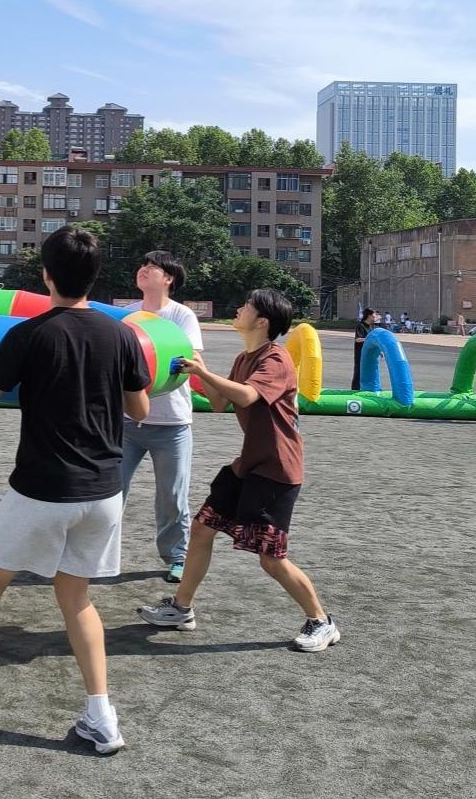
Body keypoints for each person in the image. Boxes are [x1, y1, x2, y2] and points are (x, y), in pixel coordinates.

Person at [0, 225, 151, 753]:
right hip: (104, 490)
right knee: (77, 597)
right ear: (95, 276)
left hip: (44, 487)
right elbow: (139, 408)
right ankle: (101, 718)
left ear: (46, 275)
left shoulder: (28, 334)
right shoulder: (121, 335)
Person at [136, 288, 340, 654]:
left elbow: (246, 396)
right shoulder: (244, 358)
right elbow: (219, 403)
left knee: (271, 558)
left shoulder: (275, 359)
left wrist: (204, 371)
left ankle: (321, 621)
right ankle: (181, 608)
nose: (239, 309)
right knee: (202, 529)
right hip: (247, 465)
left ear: (262, 322)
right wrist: (194, 369)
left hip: (276, 470)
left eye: (246, 306)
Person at [119, 250, 204, 583]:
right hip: (126, 422)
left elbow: (187, 359)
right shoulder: (126, 315)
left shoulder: (181, 315)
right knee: (110, 490)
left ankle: (177, 557)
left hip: (172, 424)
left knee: (172, 496)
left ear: (168, 278)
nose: (143, 269)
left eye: (152, 267)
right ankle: (96, 554)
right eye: (142, 265)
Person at [351, 308, 376, 391]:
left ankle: (367, 388)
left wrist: (378, 351)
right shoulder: (361, 326)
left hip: (369, 353)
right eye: (374, 314)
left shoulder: (372, 327)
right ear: (369, 315)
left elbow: (374, 340)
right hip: (360, 353)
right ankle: (355, 389)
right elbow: (357, 339)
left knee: (368, 371)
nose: (375, 316)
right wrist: (368, 339)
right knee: (359, 371)